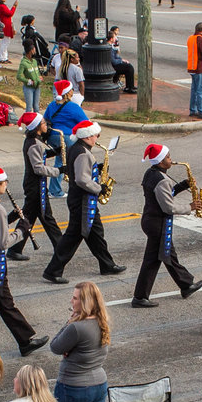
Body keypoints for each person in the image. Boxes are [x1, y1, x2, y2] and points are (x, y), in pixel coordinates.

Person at [0, 164, 43, 354]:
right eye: (4, 182)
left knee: (5, 304)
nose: (6, 185)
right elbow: (3, 242)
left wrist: (10, 218)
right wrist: (21, 230)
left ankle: (25, 340)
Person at [42, 120, 122, 281]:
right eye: (95, 135)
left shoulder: (77, 149)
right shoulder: (83, 153)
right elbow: (81, 179)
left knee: (96, 232)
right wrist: (100, 188)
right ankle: (53, 271)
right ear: (86, 136)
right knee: (73, 237)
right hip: (82, 201)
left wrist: (96, 168)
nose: (97, 137)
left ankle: (107, 264)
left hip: (83, 200)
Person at [133, 145, 201, 307]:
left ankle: (185, 285)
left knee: (164, 255)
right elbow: (168, 207)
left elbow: (163, 195)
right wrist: (190, 207)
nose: (171, 159)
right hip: (158, 223)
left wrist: (182, 186)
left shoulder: (151, 173)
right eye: (168, 157)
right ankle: (140, 297)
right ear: (161, 161)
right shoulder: (162, 180)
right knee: (156, 258)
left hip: (151, 220)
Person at [11, 113, 61, 259]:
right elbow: (38, 168)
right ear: (37, 127)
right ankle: (61, 247)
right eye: (44, 123)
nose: (47, 125)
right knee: (47, 217)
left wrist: (53, 152)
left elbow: (41, 156)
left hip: (35, 185)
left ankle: (15, 248)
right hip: (35, 186)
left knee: (29, 217)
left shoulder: (34, 141)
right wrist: (58, 171)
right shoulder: (34, 144)